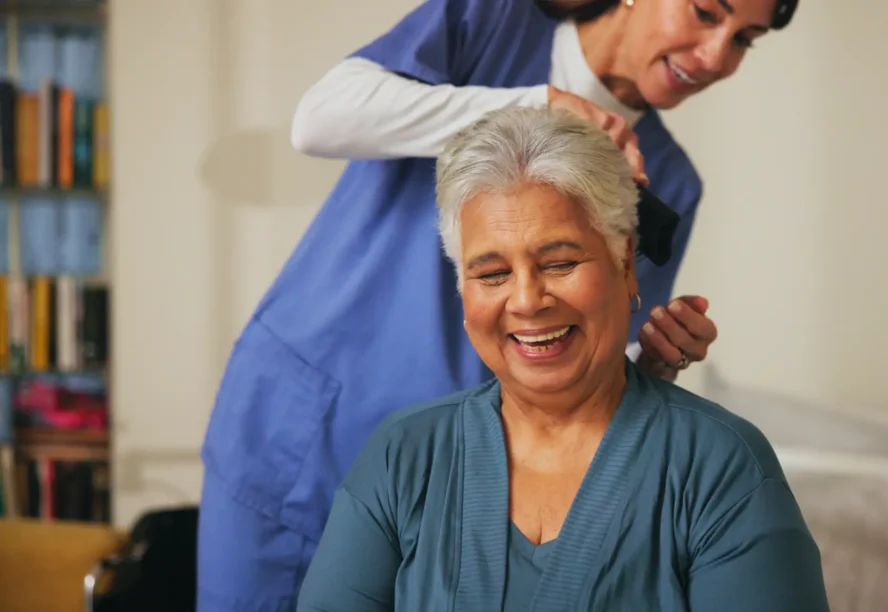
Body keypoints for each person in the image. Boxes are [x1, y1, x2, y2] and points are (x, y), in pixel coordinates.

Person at [197, 0, 800, 609]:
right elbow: (319, 120)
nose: (718, 55)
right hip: (307, 429)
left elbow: (599, 367)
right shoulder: (493, 22)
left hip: (462, 473)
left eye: (745, 39)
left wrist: (659, 359)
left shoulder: (666, 180)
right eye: (705, 12)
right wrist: (537, 108)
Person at [297, 106, 829, 611]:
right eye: (491, 274)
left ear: (625, 263)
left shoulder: (717, 466)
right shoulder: (404, 457)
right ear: (463, 291)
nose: (526, 300)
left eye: (559, 262)